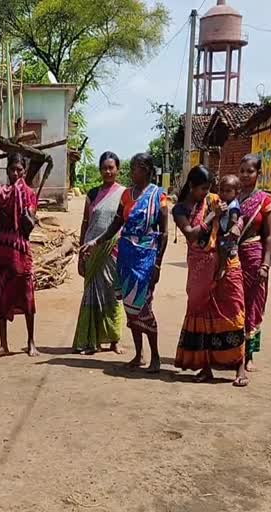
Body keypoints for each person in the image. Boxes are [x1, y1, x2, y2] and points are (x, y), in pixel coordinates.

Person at [79, 153, 168, 373]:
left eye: (136, 168)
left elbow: (164, 233)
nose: (132, 171)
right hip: (126, 257)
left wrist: (157, 265)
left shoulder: (159, 196)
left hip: (146, 258)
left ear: (146, 170)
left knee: (144, 306)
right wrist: (95, 242)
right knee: (130, 309)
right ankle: (139, 355)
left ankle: (155, 356)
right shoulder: (127, 195)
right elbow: (116, 224)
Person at [172, 166, 248, 387]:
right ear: (192, 186)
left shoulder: (216, 198)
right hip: (200, 266)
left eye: (209, 188)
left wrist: (236, 227)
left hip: (226, 261)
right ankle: (206, 367)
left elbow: (238, 213)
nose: (207, 193)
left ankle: (239, 367)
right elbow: (191, 234)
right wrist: (214, 214)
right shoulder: (180, 209)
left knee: (233, 308)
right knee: (201, 313)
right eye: (203, 189)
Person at [72, 151, 126, 355]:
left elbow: (125, 223)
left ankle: (114, 339)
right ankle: (90, 339)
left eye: (111, 167)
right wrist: (80, 253)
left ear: (117, 170)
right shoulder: (92, 194)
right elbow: (85, 223)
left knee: (113, 295)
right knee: (91, 295)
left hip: (114, 251)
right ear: (100, 170)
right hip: (91, 251)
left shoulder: (124, 194)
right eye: (104, 168)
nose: (108, 171)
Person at [0, 152, 39, 360]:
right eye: (12, 169)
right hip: (3, 248)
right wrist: (3, 208)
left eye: (19, 170)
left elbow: (28, 228)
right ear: (7, 171)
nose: (16, 173)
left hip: (21, 249)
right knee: (0, 294)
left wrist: (26, 211)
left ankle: (31, 342)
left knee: (26, 295)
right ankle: (3, 344)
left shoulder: (29, 194)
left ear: (24, 172)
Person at [237, 154, 271, 372]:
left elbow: (269, 235)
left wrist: (265, 264)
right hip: (233, 257)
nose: (245, 175)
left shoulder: (264, 200)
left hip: (254, 257)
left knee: (253, 305)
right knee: (233, 304)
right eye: (242, 170)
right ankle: (232, 352)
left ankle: (248, 355)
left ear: (258, 174)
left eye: (249, 171)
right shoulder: (233, 196)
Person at [213, 174, 242, 281]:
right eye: (222, 190)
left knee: (223, 249)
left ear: (236, 192)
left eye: (228, 191)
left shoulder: (233, 205)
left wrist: (229, 231)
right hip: (223, 231)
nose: (224, 193)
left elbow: (234, 218)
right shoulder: (224, 203)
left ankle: (223, 267)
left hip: (228, 234)